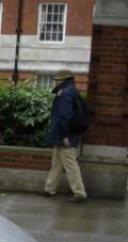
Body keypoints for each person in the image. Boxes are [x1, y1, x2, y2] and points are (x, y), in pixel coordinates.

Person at [43, 69, 87, 203]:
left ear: (62, 80)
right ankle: (49, 188)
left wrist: (65, 135)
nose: (54, 83)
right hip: (63, 135)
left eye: (56, 80)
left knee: (70, 164)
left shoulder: (65, 93)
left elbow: (64, 116)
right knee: (56, 163)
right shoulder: (71, 91)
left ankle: (79, 193)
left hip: (65, 135)